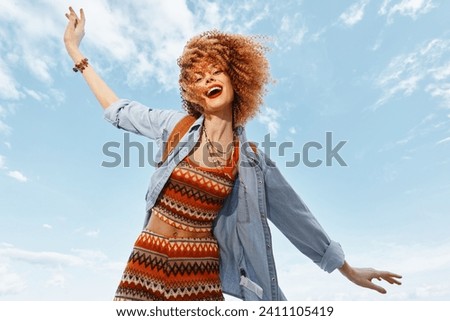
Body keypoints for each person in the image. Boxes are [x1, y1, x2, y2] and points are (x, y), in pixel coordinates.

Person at [63, 7, 402, 301]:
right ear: (191, 92)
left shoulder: (252, 163)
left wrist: (346, 269)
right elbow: (118, 109)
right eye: (197, 77)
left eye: (215, 71)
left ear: (236, 79)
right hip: (146, 258)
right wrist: (75, 51)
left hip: (199, 271)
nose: (207, 79)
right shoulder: (175, 126)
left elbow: (297, 218)